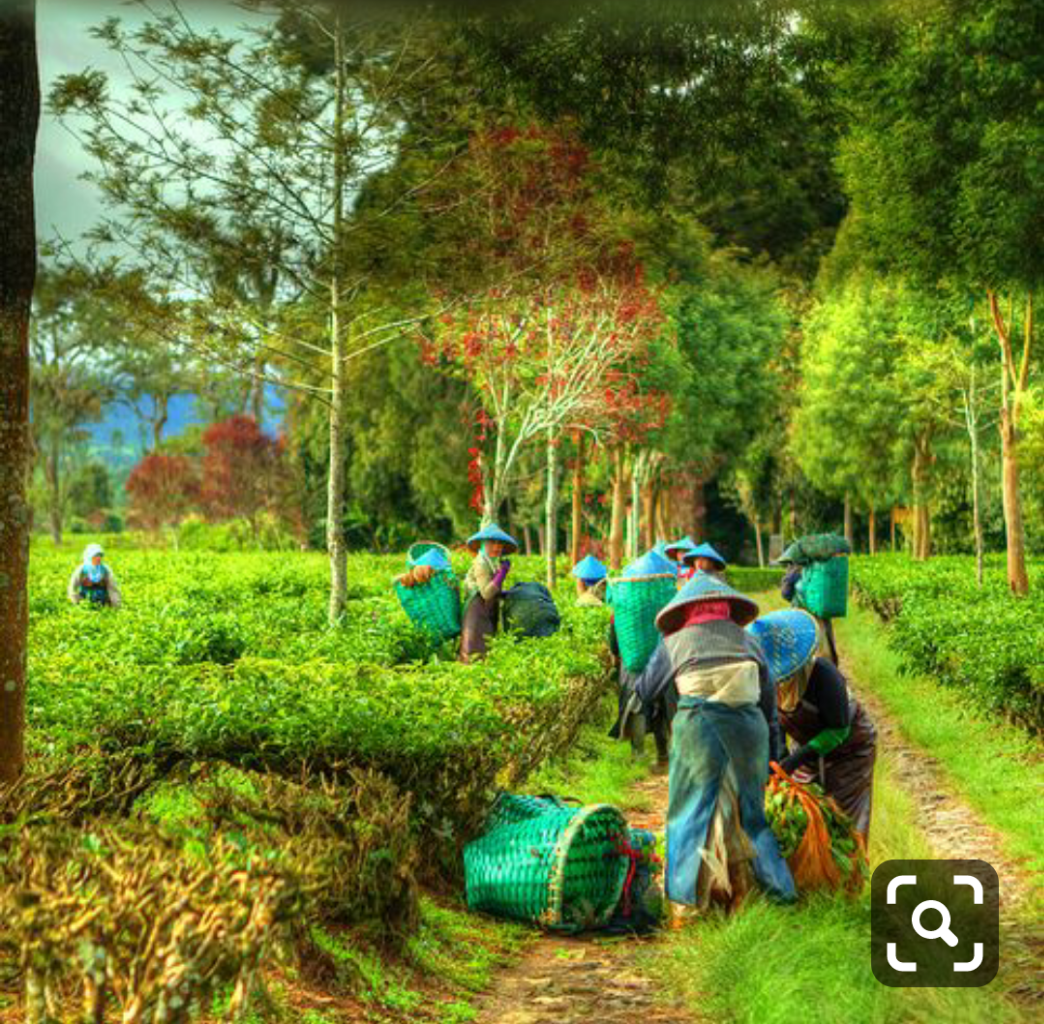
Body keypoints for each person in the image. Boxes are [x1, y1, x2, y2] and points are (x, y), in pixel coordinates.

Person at [655, 572, 795, 914]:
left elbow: (646, 689)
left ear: (686, 612)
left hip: (697, 727)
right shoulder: (749, 642)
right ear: (727, 609)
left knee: (688, 811)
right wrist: (774, 750)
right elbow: (767, 702)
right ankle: (781, 893)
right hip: (749, 727)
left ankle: (685, 905)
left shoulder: (674, 643)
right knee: (751, 814)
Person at [747, 609, 878, 841]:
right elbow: (772, 722)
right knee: (805, 817)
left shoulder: (823, 676)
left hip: (849, 752)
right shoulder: (768, 682)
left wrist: (797, 759)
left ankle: (849, 875)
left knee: (843, 823)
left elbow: (839, 730)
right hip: (807, 751)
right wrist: (778, 759)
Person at [459, 523, 518, 662]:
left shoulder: (492, 561)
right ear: (483, 544)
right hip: (476, 607)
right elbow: (486, 593)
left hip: (487, 607)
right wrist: (501, 574)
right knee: (473, 645)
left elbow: (493, 588)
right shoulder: (481, 563)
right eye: (492, 543)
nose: (497, 547)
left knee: (486, 644)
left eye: (500, 544)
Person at [67, 543, 122, 608]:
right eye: (95, 556)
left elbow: (113, 588)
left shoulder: (105, 569)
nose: (98, 558)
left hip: (103, 603)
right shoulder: (81, 570)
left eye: (100, 556)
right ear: (89, 556)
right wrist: (76, 602)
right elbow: (72, 587)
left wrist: (116, 605)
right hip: (85, 603)